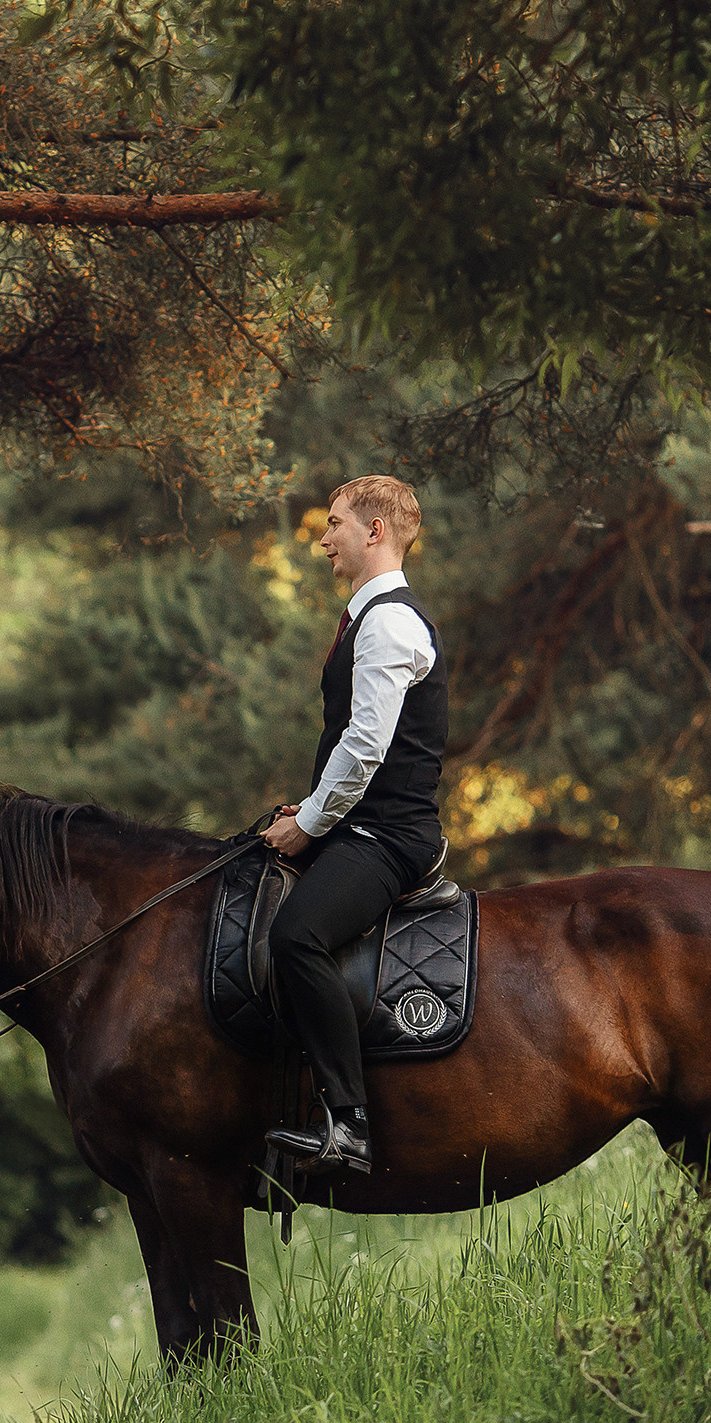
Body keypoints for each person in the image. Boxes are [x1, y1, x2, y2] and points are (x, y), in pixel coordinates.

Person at [260, 477, 445, 1175]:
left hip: (389, 839)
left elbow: (366, 746)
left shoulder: (391, 623)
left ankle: (349, 1126)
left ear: (374, 531)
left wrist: (310, 823)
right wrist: (305, 812)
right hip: (359, 828)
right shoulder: (368, 619)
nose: (323, 538)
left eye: (334, 523)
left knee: (297, 936)